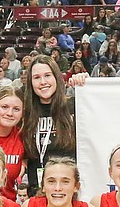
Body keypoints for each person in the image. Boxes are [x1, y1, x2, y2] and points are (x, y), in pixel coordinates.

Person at [21, 55, 84, 196]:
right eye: (36, 77)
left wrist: (86, 82)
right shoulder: (25, 113)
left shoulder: (75, 107)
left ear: (57, 77)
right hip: (37, 196)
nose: (43, 82)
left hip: (70, 197)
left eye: (47, 75)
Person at [0, 87, 25, 201]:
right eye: (4, 107)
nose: (9, 113)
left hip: (7, 206)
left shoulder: (23, 138)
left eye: (16, 109)